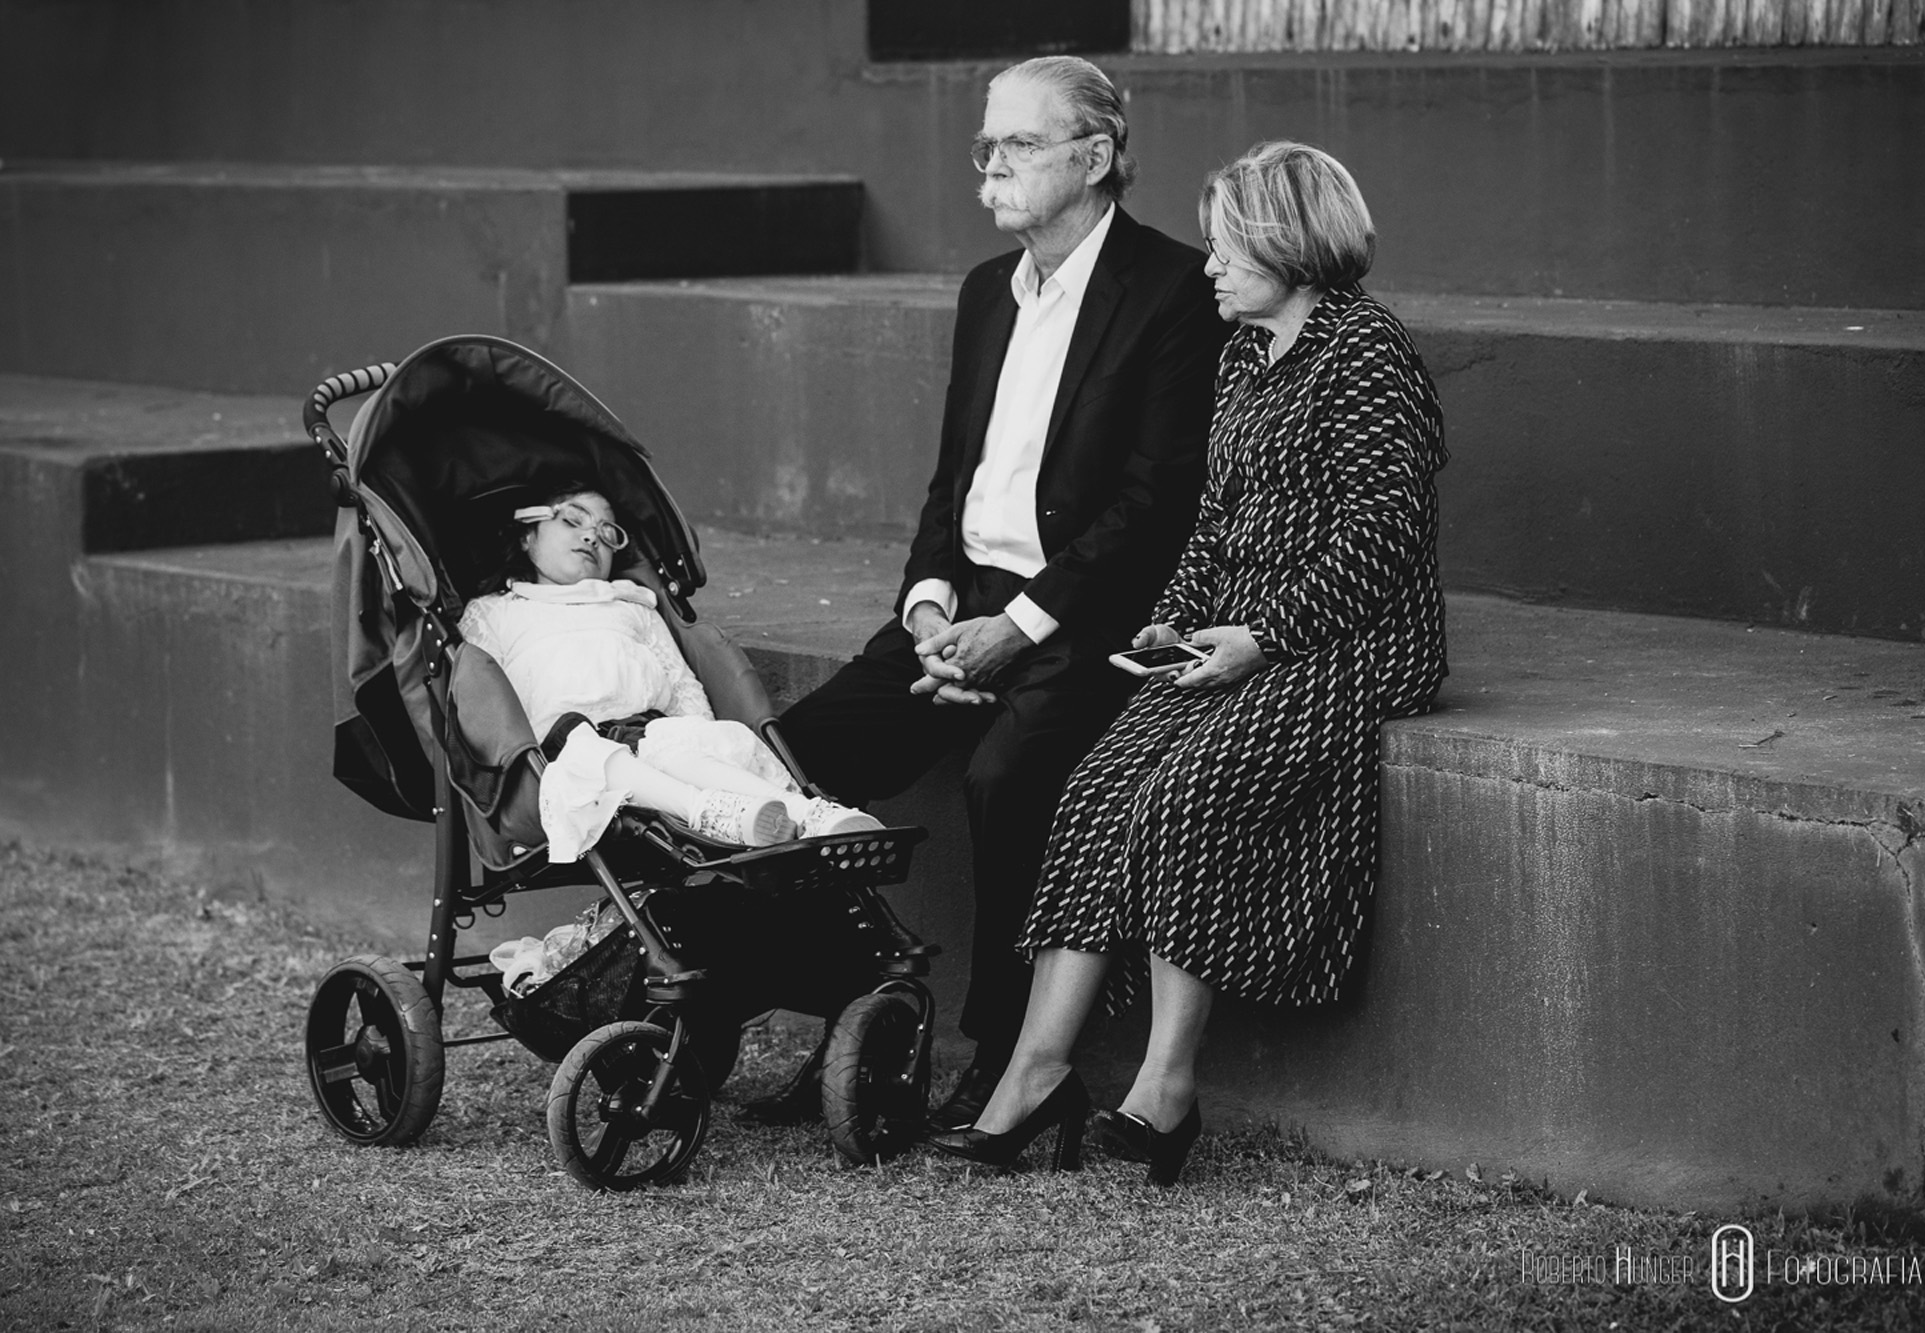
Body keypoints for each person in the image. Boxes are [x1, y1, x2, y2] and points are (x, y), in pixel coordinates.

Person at [927, 141, 1450, 1185]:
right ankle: (1034, 1073)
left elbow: (1384, 534)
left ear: (1286, 244)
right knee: (1096, 791)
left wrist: (1264, 634)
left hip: (1352, 637)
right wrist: (1172, 622)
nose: (1207, 266)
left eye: (1226, 249)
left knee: (1183, 796)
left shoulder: (1364, 350)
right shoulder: (1241, 354)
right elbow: (1212, 520)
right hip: (1234, 632)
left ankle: (1165, 1089)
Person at [767, 55, 1229, 1130]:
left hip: (1082, 613)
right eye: (987, 144)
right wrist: (930, 609)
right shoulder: (986, 291)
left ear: (1096, 156)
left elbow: (1156, 501)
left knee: (1005, 777)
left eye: (1018, 143)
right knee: (793, 757)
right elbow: (952, 483)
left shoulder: (1170, 289)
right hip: (960, 601)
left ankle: (1005, 1057)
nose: (991, 165)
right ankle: (851, 1018)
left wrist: (1013, 630)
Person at [459, 486, 880, 862]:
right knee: (592, 756)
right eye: (572, 520)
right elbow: (481, 694)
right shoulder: (495, 612)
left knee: (679, 746)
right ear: (527, 535)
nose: (591, 536)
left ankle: (814, 814)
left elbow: (681, 685)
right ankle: (706, 811)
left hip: (649, 733)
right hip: (555, 755)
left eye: (608, 533)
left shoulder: (632, 606)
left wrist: (700, 733)